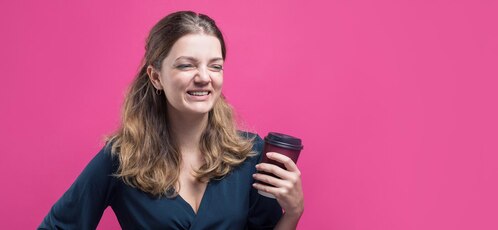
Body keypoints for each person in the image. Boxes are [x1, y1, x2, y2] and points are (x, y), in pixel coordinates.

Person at [39, 11, 304, 230]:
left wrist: (293, 211)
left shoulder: (250, 154)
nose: (204, 77)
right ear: (156, 77)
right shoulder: (123, 156)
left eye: (215, 66)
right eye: (186, 65)